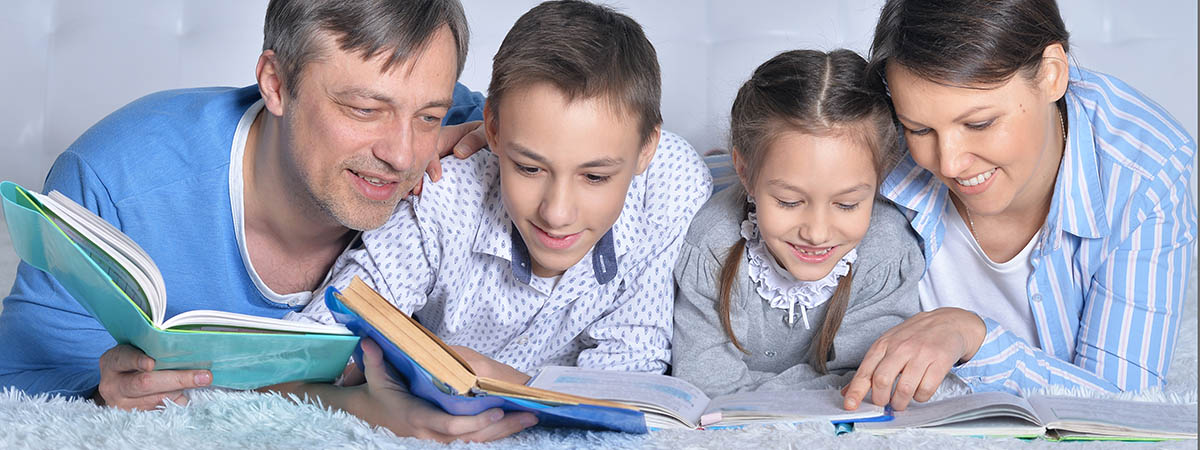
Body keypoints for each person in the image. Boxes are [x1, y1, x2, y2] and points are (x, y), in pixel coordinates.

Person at [0, 0, 537, 442]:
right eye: (363, 109)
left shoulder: (482, 136)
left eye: (428, 116)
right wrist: (104, 394)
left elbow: (605, 153)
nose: (402, 155)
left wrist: (508, 151)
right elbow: (20, 393)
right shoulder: (113, 181)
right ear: (276, 84)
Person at [288, 0, 711, 384]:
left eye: (595, 177)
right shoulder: (445, 192)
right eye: (528, 168)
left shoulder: (670, 185)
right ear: (492, 130)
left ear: (645, 151)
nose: (557, 213)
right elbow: (323, 338)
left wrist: (512, 383)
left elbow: (632, 371)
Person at [842, 0, 1197, 412]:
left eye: (979, 124)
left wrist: (971, 335)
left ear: (1052, 75)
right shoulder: (876, 134)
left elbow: (1122, 408)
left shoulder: (1143, 174)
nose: (950, 163)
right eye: (920, 129)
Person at [670, 49, 923, 396]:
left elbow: (866, 384)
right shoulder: (711, 244)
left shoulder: (887, 251)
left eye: (847, 204)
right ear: (745, 173)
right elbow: (706, 384)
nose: (816, 233)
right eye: (789, 202)